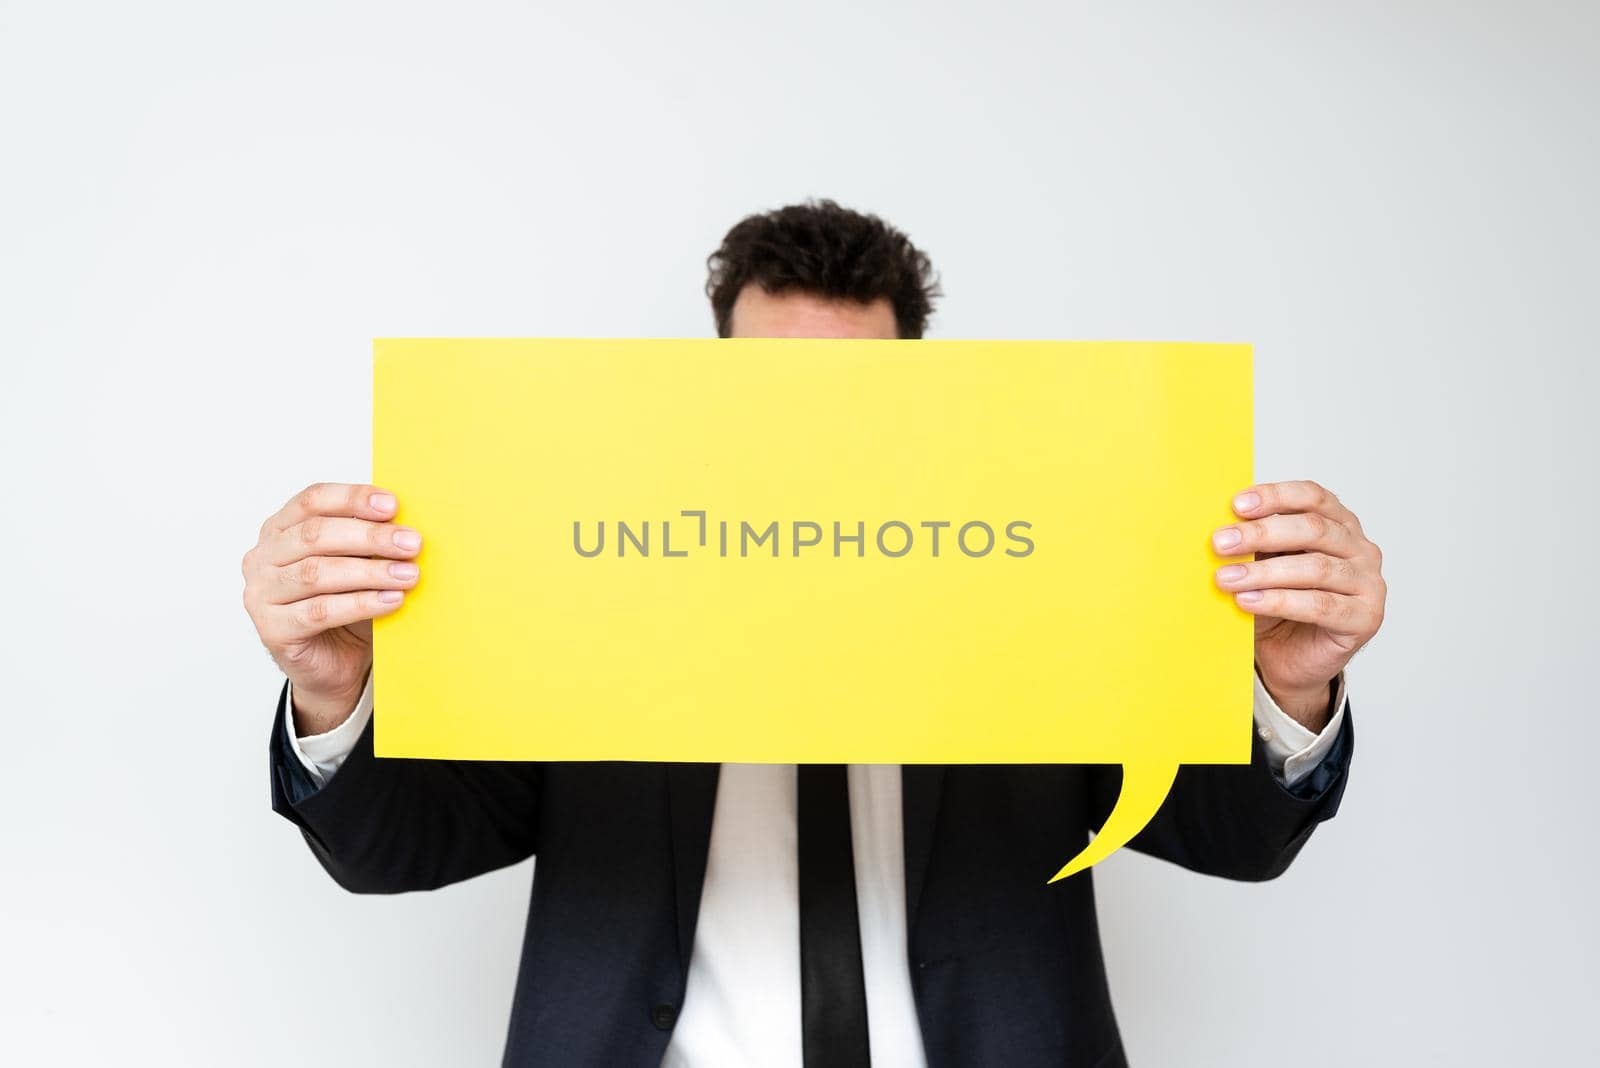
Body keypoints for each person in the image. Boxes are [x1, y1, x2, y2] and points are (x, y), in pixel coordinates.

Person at [243, 200, 1385, 1067]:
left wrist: (1288, 685)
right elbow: (398, 852)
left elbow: (1234, 840)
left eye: (851, 397)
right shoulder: (589, 589)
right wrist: (333, 696)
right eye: (772, 392)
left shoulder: (1038, 583)